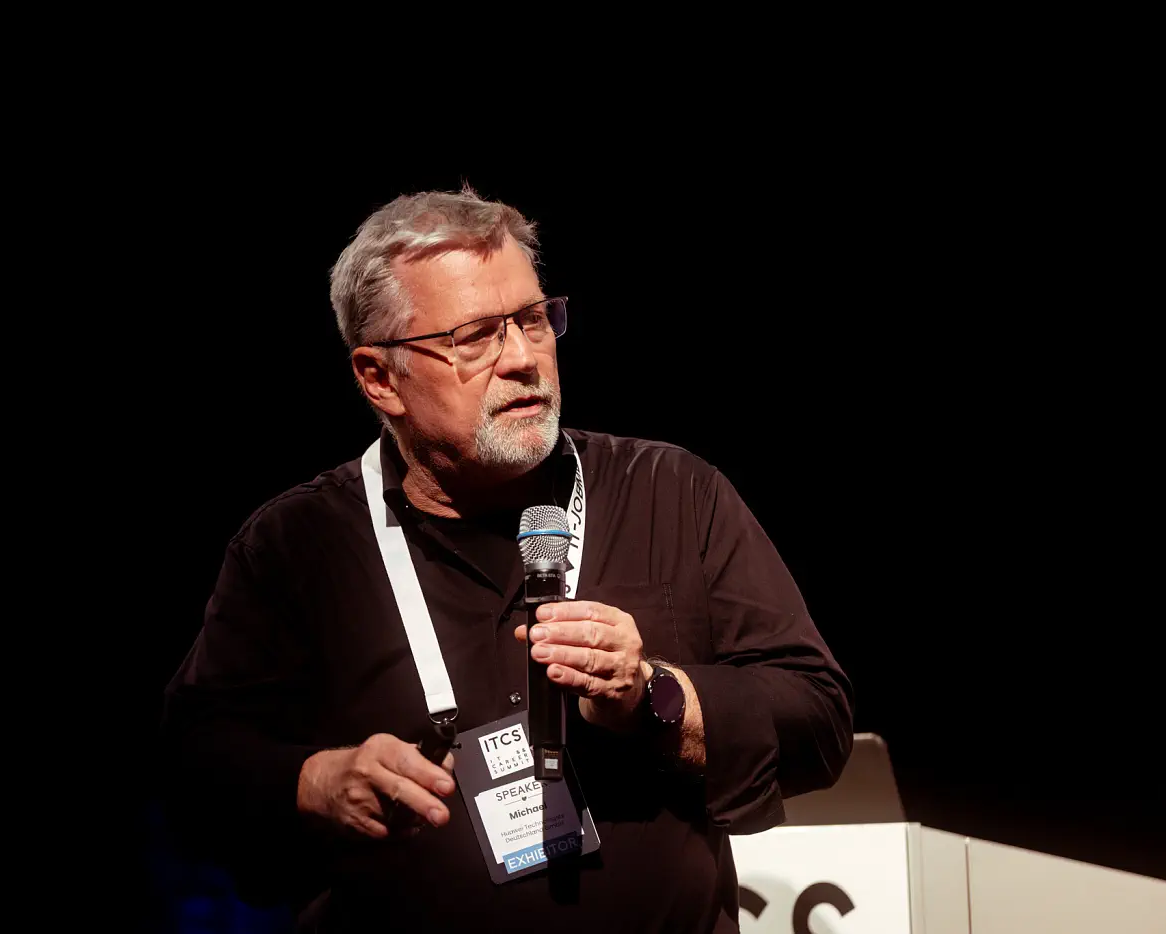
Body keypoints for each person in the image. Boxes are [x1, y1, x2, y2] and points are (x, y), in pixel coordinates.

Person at [161, 188, 853, 932]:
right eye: (476, 337)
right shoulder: (296, 546)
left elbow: (818, 719)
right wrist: (312, 783)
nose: (523, 359)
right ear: (379, 378)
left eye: (532, 320)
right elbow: (194, 762)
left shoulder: (674, 492)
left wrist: (655, 695)